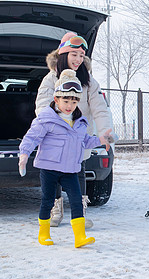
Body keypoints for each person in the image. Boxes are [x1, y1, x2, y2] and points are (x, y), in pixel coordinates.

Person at [19, 69, 113, 247]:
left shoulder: (80, 121)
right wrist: (24, 154)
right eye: (66, 100)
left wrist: (101, 139)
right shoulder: (47, 118)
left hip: (70, 169)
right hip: (50, 168)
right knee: (48, 200)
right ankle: (44, 233)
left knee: (77, 200)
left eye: (74, 100)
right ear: (56, 99)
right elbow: (32, 137)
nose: (70, 105)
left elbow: (84, 140)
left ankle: (79, 237)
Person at [36, 32, 113, 229]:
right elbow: (43, 106)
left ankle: (80, 212)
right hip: (55, 138)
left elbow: (99, 107)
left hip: (78, 137)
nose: (78, 59)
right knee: (53, 173)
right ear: (63, 55)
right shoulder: (50, 79)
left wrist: (104, 132)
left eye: (81, 55)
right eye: (74, 54)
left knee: (78, 170)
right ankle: (56, 208)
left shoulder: (88, 80)